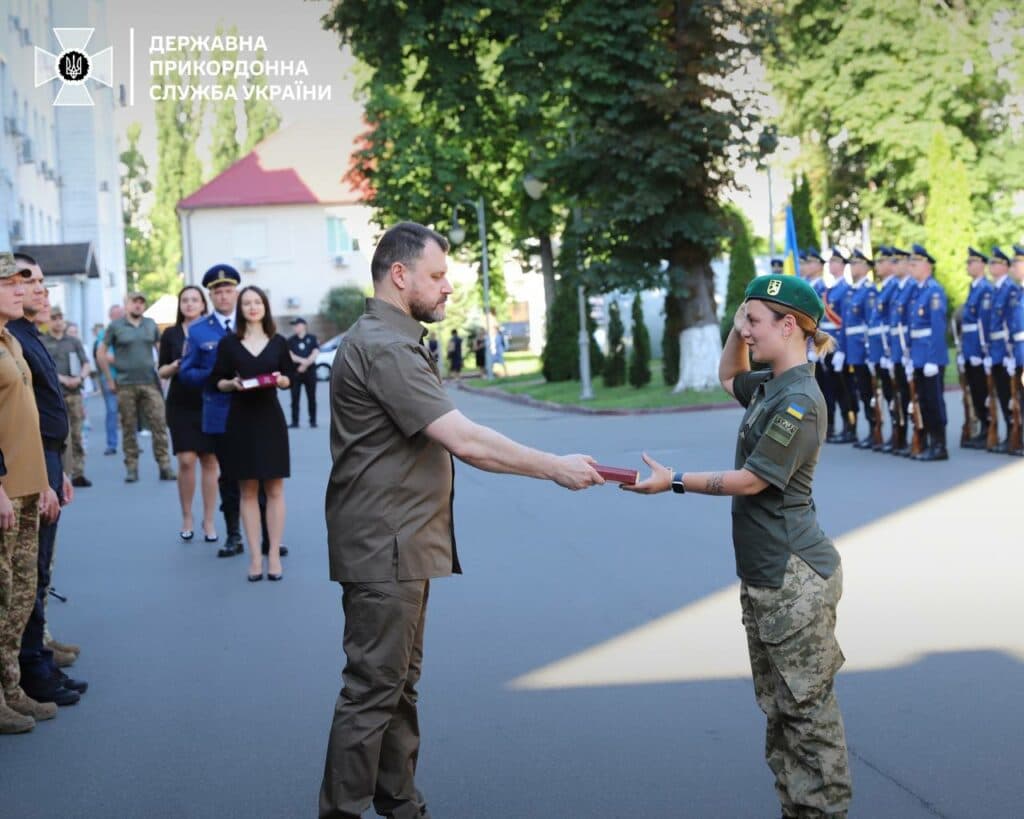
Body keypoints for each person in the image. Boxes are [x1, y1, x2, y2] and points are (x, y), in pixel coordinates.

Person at [319, 221, 602, 819]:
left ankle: (400, 805)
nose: (448, 288)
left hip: (397, 545)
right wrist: (553, 466)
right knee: (372, 691)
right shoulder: (386, 346)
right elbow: (466, 441)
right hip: (386, 549)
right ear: (400, 275)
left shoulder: (388, 338)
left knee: (395, 688)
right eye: (438, 275)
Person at [623, 273, 851, 818]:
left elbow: (752, 480)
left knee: (809, 720)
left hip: (794, 577)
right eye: (742, 321)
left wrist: (675, 479)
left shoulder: (799, 400)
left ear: (789, 325)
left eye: (754, 321)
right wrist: (738, 322)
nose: (744, 331)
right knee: (780, 712)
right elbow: (729, 375)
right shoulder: (771, 384)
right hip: (768, 574)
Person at [7, 254, 84, 709]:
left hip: (48, 461)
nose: (36, 289)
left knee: (39, 568)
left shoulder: (25, 335)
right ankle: (31, 667)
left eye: (39, 282)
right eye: (24, 281)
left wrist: (61, 469)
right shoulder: (12, 337)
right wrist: (45, 475)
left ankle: (37, 657)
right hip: (27, 466)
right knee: (28, 571)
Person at [179, 265, 284, 559]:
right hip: (221, 413)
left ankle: (267, 536)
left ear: (236, 293)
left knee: (264, 473)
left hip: (257, 411)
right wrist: (217, 374)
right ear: (210, 296)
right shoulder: (199, 331)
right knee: (230, 477)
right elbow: (186, 374)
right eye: (217, 292)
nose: (224, 296)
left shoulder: (256, 323)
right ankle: (234, 535)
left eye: (228, 291)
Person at [0, 253, 62, 734]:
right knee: (4, 597)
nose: (22, 292)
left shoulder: (10, 340)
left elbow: (30, 421)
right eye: (11, 285)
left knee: (20, 596)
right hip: (5, 490)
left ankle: (12, 686)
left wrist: (42, 480)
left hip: (26, 485)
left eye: (24, 284)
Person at [210, 286, 293, 581]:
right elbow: (216, 381)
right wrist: (232, 384)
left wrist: (282, 380)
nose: (253, 306)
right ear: (240, 309)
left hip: (270, 420)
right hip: (241, 420)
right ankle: (255, 558)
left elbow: (289, 377)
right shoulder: (229, 344)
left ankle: (273, 556)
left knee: (274, 490)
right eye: (247, 303)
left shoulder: (279, 341)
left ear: (265, 307)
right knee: (247, 491)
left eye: (257, 302)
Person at [158, 286, 218, 542]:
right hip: (180, 402)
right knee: (185, 460)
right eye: (185, 300)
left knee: (210, 461)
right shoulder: (170, 334)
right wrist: (174, 366)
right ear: (180, 305)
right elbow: (160, 371)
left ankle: (209, 520)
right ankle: (186, 516)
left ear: (203, 304)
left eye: (195, 300)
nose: (190, 304)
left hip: (209, 400)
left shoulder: (214, 331)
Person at [97, 292, 175, 483]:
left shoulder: (150, 324)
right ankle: (131, 467)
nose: (138, 305)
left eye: (142, 302)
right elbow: (101, 352)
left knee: (159, 422)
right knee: (129, 426)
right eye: (135, 302)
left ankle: (164, 465)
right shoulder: (116, 326)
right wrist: (109, 379)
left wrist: (163, 374)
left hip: (150, 382)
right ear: (126, 305)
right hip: (125, 384)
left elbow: (161, 350)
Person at [907, 244, 949, 461]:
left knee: (934, 402)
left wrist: (933, 358)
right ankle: (931, 443)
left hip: (930, 357)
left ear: (927, 266)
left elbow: (937, 328)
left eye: (915, 264)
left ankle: (940, 445)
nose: (911, 268)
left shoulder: (934, 291)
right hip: (919, 355)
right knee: (923, 401)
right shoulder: (918, 291)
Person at [43, 308, 93, 487]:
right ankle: (61, 473)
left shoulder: (73, 341)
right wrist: (62, 379)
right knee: (59, 436)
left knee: (78, 434)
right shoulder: (43, 341)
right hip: (55, 395)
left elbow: (86, 363)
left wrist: (80, 377)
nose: (58, 321)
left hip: (74, 394)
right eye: (54, 318)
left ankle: (78, 472)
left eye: (60, 317)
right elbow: (43, 369)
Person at [866, 247, 900, 451]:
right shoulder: (884, 287)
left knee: (895, 394)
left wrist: (888, 353)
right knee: (887, 394)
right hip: (880, 351)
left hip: (890, 351)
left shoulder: (894, 287)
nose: (877, 266)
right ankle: (892, 435)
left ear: (890, 264)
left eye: (881, 262)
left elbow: (891, 325)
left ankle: (898, 434)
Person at [960, 248, 995, 449]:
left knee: (983, 390)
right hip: (970, 348)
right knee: (975, 391)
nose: (968, 266)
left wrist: (982, 352)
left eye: (972, 262)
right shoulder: (973, 288)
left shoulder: (985, 289)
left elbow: (984, 324)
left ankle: (988, 426)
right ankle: (983, 426)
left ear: (981, 264)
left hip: (979, 351)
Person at [843, 250, 876, 449]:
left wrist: (869, 351)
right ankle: (871, 430)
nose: (852, 267)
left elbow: (870, 325)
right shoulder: (853, 292)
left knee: (869, 393)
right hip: (853, 353)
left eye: (856, 264)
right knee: (862, 393)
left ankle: (875, 429)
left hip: (864, 352)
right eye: (851, 264)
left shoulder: (869, 291)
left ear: (865, 267)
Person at [826, 247, 858, 443]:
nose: (831, 265)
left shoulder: (846, 289)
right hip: (828, 346)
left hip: (840, 347)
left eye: (834, 262)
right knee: (835, 389)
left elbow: (844, 323)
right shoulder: (830, 290)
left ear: (842, 266)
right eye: (830, 262)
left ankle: (851, 426)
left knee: (847, 389)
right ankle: (842, 426)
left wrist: (841, 350)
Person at [887, 247, 916, 455]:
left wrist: (909, 354)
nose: (894, 266)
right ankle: (901, 435)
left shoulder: (913, 287)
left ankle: (917, 436)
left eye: (899, 262)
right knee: (899, 396)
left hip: (908, 352)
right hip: (896, 351)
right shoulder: (897, 288)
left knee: (912, 396)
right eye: (894, 262)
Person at [94, 305, 123, 455]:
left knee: (129, 412)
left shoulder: (127, 331)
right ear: (110, 317)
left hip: (127, 378)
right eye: (116, 315)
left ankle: (131, 444)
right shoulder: (104, 334)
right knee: (112, 411)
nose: (119, 317)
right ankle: (112, 444)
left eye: (121, 314)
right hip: (110, 377)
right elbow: (106, 356)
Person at [287, 317, 320, 428]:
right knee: (294, 398)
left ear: (303, 325)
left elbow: (315, 353)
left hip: (310, 372)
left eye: (297, 325)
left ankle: (313, 421)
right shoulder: (290, 340)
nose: (295, 327)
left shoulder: (312, 338)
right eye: (294, 325)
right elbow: (290, 355)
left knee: (311, 398)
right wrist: (302, 362)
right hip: (295, 372)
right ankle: (295, 422)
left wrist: (305, 364)